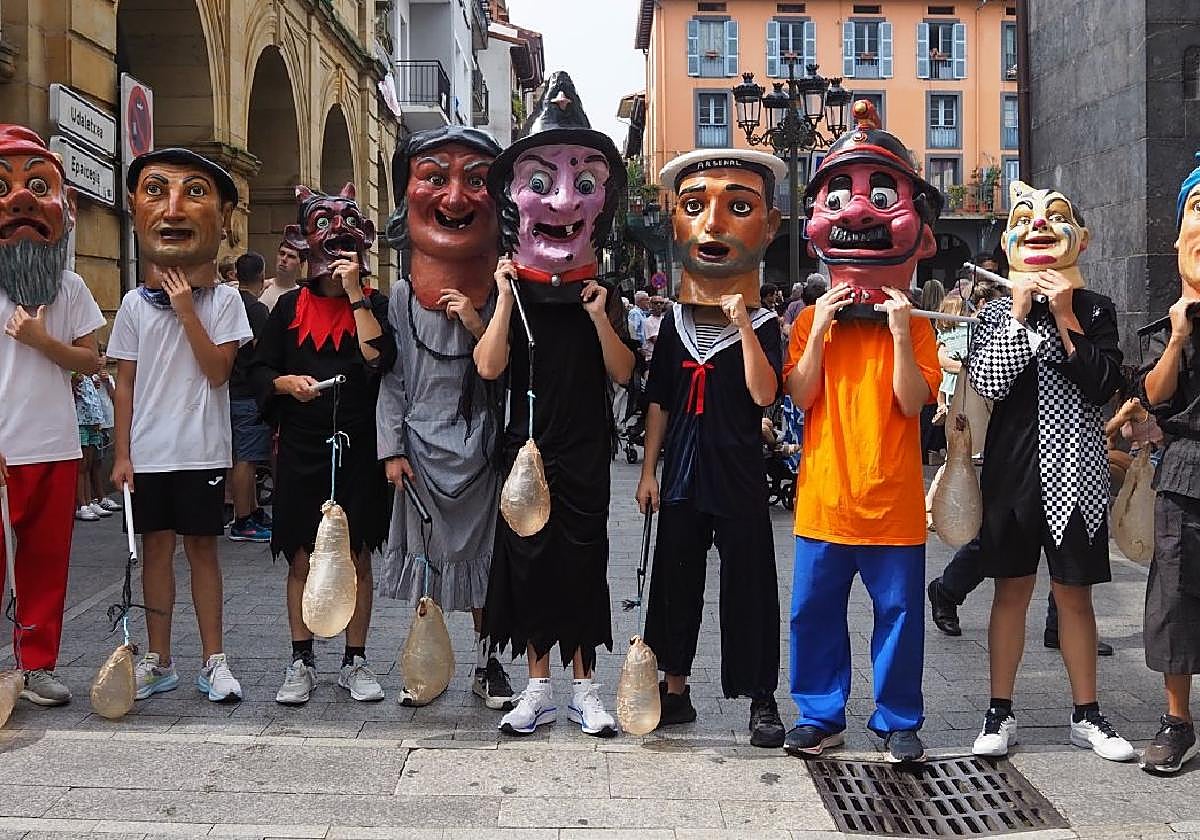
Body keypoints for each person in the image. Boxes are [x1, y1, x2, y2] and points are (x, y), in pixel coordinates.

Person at [783, 101, 943, 763]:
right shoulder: (807, 320)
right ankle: (821, 715)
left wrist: (903, 333)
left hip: (894, 503)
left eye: (882, 196)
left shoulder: (922, 327)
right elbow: (800, 394)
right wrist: (818, 328)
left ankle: (898, 719)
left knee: (899, 620)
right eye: (839, 197)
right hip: (823, 501)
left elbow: (914, 403)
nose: (857, 212)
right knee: (813, 615)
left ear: (923, 237)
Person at [477, 72, 635, 737]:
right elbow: (488, 364)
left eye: (584, 181)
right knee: (528, 562)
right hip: (524, 446)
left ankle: (586, 686)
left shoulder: (603, 292)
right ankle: (538, 685)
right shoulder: (509, 290)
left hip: (585, 444)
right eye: (540, 182)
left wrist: (600, 317)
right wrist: (505, 298)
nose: (564, 198)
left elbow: (625, 374)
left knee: (582, 559)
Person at [966, 179, 1133, 762]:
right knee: (1010, 591)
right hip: (1011, 476)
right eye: (1024, 218)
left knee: (1075, 596)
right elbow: (988, 382)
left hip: (1077, 474)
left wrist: (1065, 317)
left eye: (1055, 217)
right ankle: (999, 710)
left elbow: (1103, 384)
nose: (1038, 226)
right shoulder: (991, 312)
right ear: (1008, 241)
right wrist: (1016, 312)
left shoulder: (1096, 309)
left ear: (1080, 241)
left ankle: (1087, 713)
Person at [637, 148, 787, 748]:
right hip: (682, 469)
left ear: (768, 227)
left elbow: (764, 395)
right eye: (694, 206)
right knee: (675, 575)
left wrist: (746, 325)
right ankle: (674, 688)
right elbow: (659, 401)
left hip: (738, 469)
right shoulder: (673, 324)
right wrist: (648, 470)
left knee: (749, 578)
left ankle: (759, 697)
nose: (713, 223)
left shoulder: (769, 326)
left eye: (739, 207)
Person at [376, 125, 516, 709]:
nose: (455, 198)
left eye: (477, 181)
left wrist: (478, 319)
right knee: (426, 568)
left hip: (480, 451)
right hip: (420, 451)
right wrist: (391, 448)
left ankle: (488, 664)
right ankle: (425, 666)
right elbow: (393, 376)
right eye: (434, 178)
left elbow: (504, 372)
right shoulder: (401, 300)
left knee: (484, 567)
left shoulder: (508, 299)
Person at [109, 147, 253, 704]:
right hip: (149, 453)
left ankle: (214, 661)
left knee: (202, 553)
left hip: (200, 450)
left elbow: (218, 372)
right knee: (155, 553)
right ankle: (158, 658)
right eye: (155, 192)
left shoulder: (224, 303)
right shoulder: (132, 305)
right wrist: (122, 455)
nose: (172, 209)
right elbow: (124, 383)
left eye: (194, 193)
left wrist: (187, 308)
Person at [251, 183, 394, 706]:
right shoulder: (288, 307)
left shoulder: (375, 303)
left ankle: (355, 661)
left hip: (358, 448)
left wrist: (357, 294)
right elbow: (258, 370)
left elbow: (379, 359)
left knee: (356, 555)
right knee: (301, 556)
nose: (336, 243)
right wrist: (285, 384)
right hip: (302, 446)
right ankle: (301, 658)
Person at [0, 125, 105, 707]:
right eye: (5, 186)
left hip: (54, 445)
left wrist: (44, 342)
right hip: (3, 448)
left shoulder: (68, 288)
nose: (20, 200)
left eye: (37, 186)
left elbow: (92, 360)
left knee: (44, 561)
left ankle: (36, 665)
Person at [1137, 154, 1200, 774]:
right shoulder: (1165, 324)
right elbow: (1155, 396)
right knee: (1175, 599)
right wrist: (1180, 338)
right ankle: (1176, 721)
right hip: (1184, 472)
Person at [227, 251, 272, 542]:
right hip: (248, 392)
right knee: (247, 458)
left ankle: (251, 511)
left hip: (229, 389)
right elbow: (264, 350)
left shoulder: (229, 303)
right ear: (261, 275)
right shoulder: (256, 310)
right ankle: (242, 520)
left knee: (243, 457)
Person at [72, 370, 108, 521]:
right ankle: (81, 504)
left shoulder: (91, 376)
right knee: (81, 464)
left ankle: (89, 500)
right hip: (80, 421)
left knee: (89, 464)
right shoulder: (75, 374)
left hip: (92, 421)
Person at [258, 242, 304, 312]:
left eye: (291, 256)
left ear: (301, 265)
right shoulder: (260, 288)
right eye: (282, 254)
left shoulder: (302, 296)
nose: (284, 259)